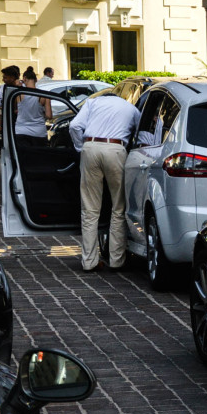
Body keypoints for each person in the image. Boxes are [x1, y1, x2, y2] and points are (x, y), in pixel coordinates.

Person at [69, 82, 142, 272]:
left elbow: (74, 126)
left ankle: (89, 261)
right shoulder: (131, 108)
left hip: (90, 147)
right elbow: (144, 137)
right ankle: (117, 260)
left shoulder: (93, 103)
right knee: (119, 207)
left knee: (90, 210)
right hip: (116, 149)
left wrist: (81, 148)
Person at [13, 67, 53, 148]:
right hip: (39, 132)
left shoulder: (19, 94)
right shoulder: (44, 95)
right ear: (36, 80)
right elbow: (49, 116)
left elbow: (14, 108)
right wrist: (42, 113)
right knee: (39, 158)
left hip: (21, 131)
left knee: (24, 159)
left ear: (24, 79)